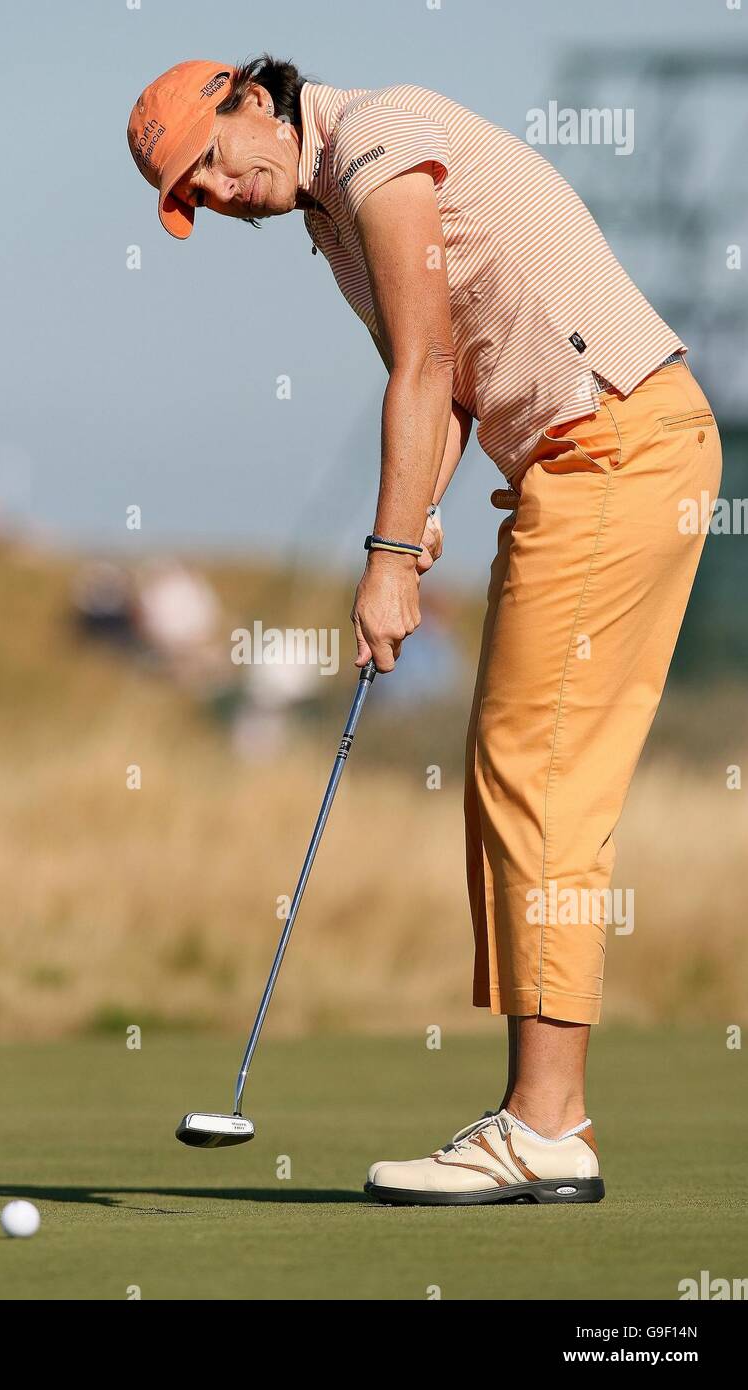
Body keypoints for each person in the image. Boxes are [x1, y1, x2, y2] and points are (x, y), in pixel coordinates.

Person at [127, 58, 722, 1205]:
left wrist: (390, 558)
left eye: (207, 158)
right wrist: (416, 518)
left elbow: (426, 361)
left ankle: (544, 1127)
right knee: (518, 775)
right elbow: (446, 395)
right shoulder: (336, 221)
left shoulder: (376, 142)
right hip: (579, 463)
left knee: (533, 777)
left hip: (612, 451)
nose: (216, 193)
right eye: (189, 195)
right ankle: (542, 1121)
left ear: (255, 98)